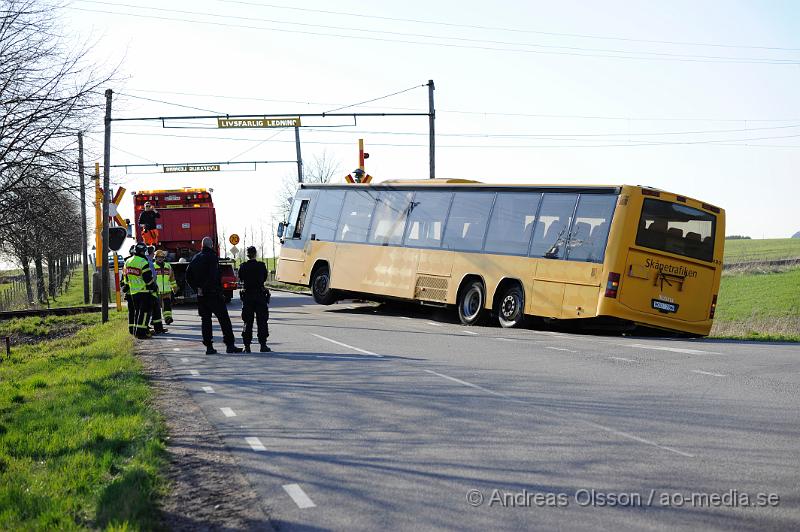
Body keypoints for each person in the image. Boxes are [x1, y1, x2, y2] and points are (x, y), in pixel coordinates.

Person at [186, 236, 242, 354]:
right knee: (224, 320)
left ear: (202, 245)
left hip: (202, 296)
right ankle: (229, 345)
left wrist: (197, 289)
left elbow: (188, 275)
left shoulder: (196, 258)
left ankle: (209, 347)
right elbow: (213, 276)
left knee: (206, 320)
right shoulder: (212, 257)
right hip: (213, 294)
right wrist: (210, 288)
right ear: (211, 245)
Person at [237, 246, 271, 353]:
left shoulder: (243, 267)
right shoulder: (261, 266)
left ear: (247, 255)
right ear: (255, 254)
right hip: (260, 296)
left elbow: (241, 278)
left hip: (248, 296)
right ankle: (263, 345)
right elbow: (264, 278)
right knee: (262, 321)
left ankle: (247, 346)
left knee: (247, 321)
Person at [124, 242, 157, 339]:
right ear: (143, 251)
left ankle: (136, 332)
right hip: (144, 291)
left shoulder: (128, 261)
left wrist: (127, 286)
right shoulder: (143, 262)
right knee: (144, 313)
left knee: (137, 312)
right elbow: (147, 278)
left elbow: (125, 277)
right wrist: (153, 286)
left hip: (133, 292)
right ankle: (141, 333)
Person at [146, 246, 166, 334]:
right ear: (151, 253)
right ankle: (157, 328)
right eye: (153, 253)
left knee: (155, 309)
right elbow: (152, 276)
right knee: (155, 309)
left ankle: (157, 328)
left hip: (147, 289)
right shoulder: (149, 263)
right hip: (151, 289)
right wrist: (153, 286)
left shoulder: (147, 261)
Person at [154, 249, 177, 325]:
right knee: (155, 308)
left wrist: (174, 287)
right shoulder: (153, 266)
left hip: (167, 291)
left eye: (161, 257)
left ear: (164, 258)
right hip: (156, 291)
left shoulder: (168, 266)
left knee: (167, 307)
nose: (160, 259)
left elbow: (172, 278)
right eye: (158, 257)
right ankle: (154, 320)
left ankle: (168, 318)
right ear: (155, 258)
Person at [121, 244, 136, 335]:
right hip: (138, 292)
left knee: (131, 312)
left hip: (130, 292)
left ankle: (131, 329)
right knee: (138, 311)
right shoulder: (141, 261)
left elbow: (123, 277)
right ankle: (137, 328)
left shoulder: (126, 262)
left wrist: (124, 286)